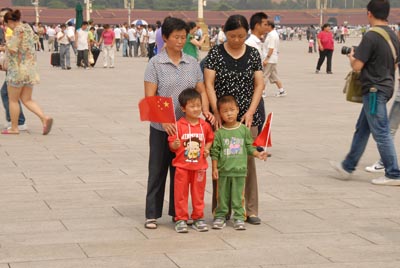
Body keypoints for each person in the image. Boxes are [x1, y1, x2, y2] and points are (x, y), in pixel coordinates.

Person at [143, 17, 214, 229]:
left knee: (181, 172)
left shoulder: (192, 63)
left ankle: (178, 213)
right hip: (161, 128)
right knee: (157, 169)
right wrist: (164, 122)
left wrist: (206, 111)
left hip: (188, 129)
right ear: (165, 37)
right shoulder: (155, 63)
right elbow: (151, 97)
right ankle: (152, 213)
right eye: (176, 37)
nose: (181, 41)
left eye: (184, 37)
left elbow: (200, 90)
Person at [330, 0, 400, 186]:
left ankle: (394, 173)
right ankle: (348, 165)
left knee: (381, 132)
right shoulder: (393, 34)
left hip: (374, 89)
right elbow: (393, 64)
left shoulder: (371, 36)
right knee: (362, 128)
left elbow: (358, 66)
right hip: (386, 86)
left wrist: (352, 56)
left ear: (369, 13)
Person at [204, 14, 264, 225]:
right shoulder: (215, 53)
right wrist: (216, 111)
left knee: (247, 163)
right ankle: (220, 210)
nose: (237, 40)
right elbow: (209, 84)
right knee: (220, 161)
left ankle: (250, 209)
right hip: (222, 118)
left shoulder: (254, 53)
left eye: (241, 36)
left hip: (248, 118)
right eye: (232, 36)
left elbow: (259, 85)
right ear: (224, 32)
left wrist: (250, 111)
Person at [211, 95, 267, 230]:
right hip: (223, 171)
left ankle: (239, 217)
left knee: (238, 196)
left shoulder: (243, 130)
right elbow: (215, 151)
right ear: (219, 113)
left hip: (239, 171)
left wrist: (258, 154)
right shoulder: (219, 133)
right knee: (222, 196)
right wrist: (214, 168)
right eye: (225, 111)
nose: (229, 113)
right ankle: (220, 215)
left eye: (231, 110)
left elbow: (249, 147)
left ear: (237, 110)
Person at [168, 88, 214, 233]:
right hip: (182, 167)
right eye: (192, 106)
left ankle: (198, 217)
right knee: (180, 194)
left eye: (198, 106)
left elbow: (210, 139)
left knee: (198, 194)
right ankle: (181, 218)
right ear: (183, 108)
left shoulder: (204, 126)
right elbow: (172, 145)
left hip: (200, 168)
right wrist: (174, 145)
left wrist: (207, 148)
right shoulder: (178, 126)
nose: (196, 109)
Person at [1, 10, 52, 135]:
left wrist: (5, 45)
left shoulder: (18, 30)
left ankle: (14, 127)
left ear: (11, 22)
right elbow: (31, 42)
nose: (7, 27)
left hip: (17, 70)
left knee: (13, 100)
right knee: (27, 99)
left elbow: (13, 49)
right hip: (30, 69)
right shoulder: (28, 28)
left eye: (6, 24)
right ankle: (44, 118)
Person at [0, 7, 27, 131]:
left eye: (4, 16)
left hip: (16, 67)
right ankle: (15, 121)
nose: (2, 19)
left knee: (10, 94)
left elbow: (14, 49)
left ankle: (17, 121)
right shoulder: (7, 30)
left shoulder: (15, 30)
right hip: (15, 66)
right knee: (12, 94)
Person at [262, 20, 286, 97]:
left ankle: (262, 92)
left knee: (264, 75)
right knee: (274, 75)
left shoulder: (272, 35)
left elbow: (271, 48)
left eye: (266, 25)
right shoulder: (272, 34)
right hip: (272, 59)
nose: (264, 27)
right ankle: (281, 91)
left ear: (269, 26)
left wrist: (266, 59)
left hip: (270, 59)